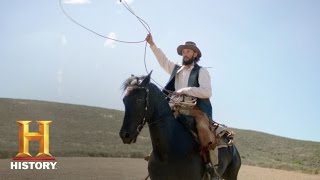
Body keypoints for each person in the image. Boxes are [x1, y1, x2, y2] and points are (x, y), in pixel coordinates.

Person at [145, 34, 216, 168]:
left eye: (188, 51)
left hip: (195, 110)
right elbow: (163, 60)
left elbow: (207, 92)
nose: (185, 54)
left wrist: (186, 90)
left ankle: (208, 163)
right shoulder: (176, 69)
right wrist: (152, 44)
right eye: (183, 52)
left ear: (195, 54)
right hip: (174, 107)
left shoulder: (201, 71)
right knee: (159, 124)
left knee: (202, 127)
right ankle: (157, 156)